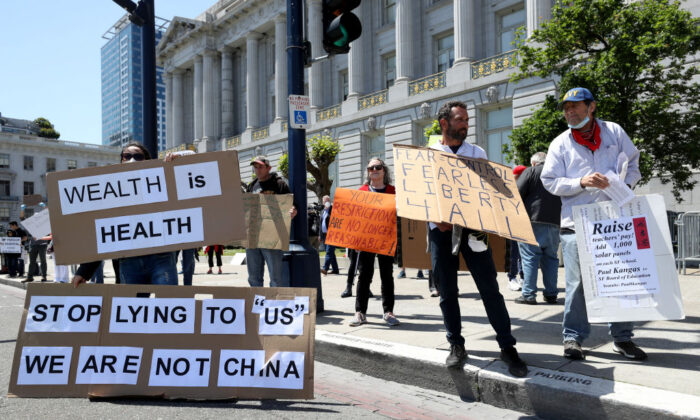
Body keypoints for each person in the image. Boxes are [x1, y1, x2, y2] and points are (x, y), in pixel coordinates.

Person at [541, 87, 646, 361]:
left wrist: (623, 186)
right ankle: (573, 338)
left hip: (614, 219)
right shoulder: (560, 143)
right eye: (566, 108)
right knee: (577, 284)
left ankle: (623, 339)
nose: (569, 112)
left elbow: (634, 163)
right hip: (577, 224)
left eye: (575, 106)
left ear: (592, 107)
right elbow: (550, 181)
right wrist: (580, 182)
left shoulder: (614, 132)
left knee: (619, 279)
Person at [429, 100, 527, 377]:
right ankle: (456, 345)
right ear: (444, 123)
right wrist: (436, 218)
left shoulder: (477, 153)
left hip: (474, 231)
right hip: (441, 232)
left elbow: (488, 190)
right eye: (460, 119)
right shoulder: (430, 154)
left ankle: (507, 346)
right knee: (447, 291)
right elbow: (423, 196)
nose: (466, 124)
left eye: (468, 120)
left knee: (489, 289)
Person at [72, 142, 178, 286]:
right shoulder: (109, 194)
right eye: (127, 156)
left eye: (138, 156)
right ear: (121, 160)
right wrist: (84, 271)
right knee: (131, 306)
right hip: (128, 261)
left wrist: (178, 162)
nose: (131, 160)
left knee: (167, 305)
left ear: (147, 161)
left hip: (161, 258)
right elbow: (104, 232)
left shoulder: (163, 182)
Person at [348, 157, 400, 327]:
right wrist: (354, 241)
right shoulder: (362, 191)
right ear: (368, 172)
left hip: (386, 239)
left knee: (387, 276)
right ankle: (360, 312)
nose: (375, 170)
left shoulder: (393, 191)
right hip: (366, 241)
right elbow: (354, 218)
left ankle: (388, 312)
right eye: (371, 168)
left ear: (384, 170)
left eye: (378, 167)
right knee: (364, 275)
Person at [515, 152, 562, 305]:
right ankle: (551, 294)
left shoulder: (531, 171)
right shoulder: (559, 173)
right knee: (551, 258)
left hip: (532, 220)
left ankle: (528, 294)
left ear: (534, 163)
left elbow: (516, 193)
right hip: (555, 221)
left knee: (529, 257)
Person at [245, 156, 296, 287]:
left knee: (275, 279)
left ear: (269, 168)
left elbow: (291, 205)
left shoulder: (279, 184)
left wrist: (293, 211)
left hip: (272, 237)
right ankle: (257, 304)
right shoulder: (252, 185)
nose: (257, 170)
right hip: (253, 237)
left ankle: (274, 305)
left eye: (260, 167)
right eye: (255, 167)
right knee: (253, 278)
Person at [507, 166, 527, 291]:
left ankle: (523, 276)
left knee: (523, 253)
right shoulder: (511, 188)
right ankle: (512, 278)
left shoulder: (525, 187)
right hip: (513, 224)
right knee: (514, 253)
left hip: (523, 223)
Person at [320, 195, 339, 275]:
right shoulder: (323, 211)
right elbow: (320, 224)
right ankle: (335, 269)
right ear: (323, 202)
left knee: (328, 251)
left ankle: (325, 268)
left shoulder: (333, 210)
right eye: (325, 201)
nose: (327, 202)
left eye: (328, 200)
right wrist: (320, 235)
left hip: (332, 234)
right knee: (331, 252)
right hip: (324, 235)